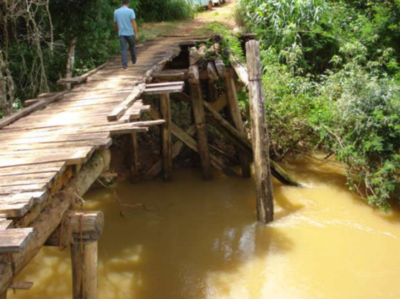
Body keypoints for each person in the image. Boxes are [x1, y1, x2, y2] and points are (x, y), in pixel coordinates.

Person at [114, 0, 139, 69]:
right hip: (130, 33)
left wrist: (117, 30)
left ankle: (124, 65)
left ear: (122, 3)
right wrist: (136, 33)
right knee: (132, 47)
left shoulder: (116, 11)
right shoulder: (131, 11)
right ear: (128, 4)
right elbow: (133, 22)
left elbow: (115, 23)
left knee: (123, 49)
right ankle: (134, 60)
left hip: (121, 33)